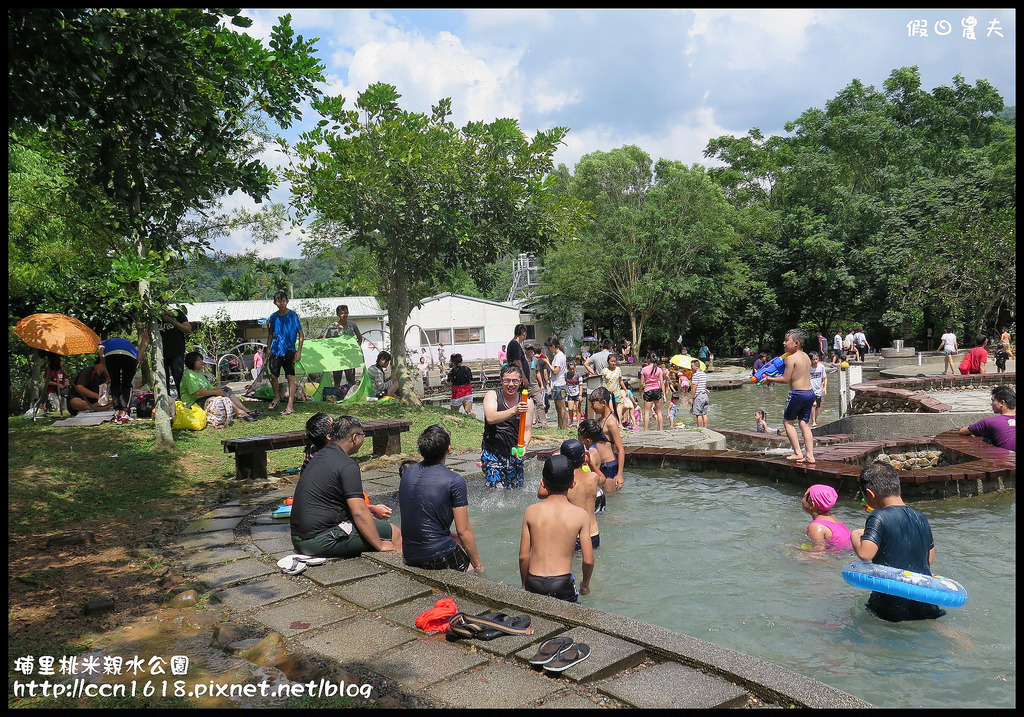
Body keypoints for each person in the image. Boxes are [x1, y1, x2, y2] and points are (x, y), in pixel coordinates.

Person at [290, 415, 402, 558]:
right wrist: (379, 545)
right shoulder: (347, 465)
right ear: (354, 438)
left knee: (380, 529)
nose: (363, 439)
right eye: (363, 435)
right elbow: (359, 512)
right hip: (318, 540)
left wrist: (372, 510)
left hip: (299, 537)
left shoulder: (319, 456)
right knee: (394, 534)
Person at [850, 462, 945, 622]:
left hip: (890, 603)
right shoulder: (920, 517)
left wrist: (855, 534)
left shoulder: (878, 516)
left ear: (870, 494)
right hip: (924, 600)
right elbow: (929, 559)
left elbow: (865, 553)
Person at [399, 425, 484, 572]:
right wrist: (478, 565)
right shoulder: (454, 481)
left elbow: (419, 516)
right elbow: (463, 531)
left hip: (409, 553)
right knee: (473, 571)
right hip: (437, 556)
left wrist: (449, 536)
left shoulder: (408, 473)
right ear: (448, 448)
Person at [519, 455, 594, 602]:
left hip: (534, 580)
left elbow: (523, 556)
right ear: (573, 483)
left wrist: (524, 584)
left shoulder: (531, 511)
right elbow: (588, 560)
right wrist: (585, 585)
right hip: (562, 583)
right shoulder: (580, 515)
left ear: (543, 483)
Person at [761, 328, 816, 464]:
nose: (784, 343)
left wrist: (769, 378)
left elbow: (786, 379)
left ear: (796, 343)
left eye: (787, 340)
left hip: (797, 393)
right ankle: (810, 455)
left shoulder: (791, 358)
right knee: (804, 423)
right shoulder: (806, 357)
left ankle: (797, 452)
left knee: (788, 422)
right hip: (810, 393)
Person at [481, 364, 535, 489]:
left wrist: (524, 446)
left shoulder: (526, 402)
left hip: (515, 452)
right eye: (507, 381)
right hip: (492, 452)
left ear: (520, 381)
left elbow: (527, 430)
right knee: (496, 491)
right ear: (501, 380)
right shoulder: (492, 395)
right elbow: (490, 418)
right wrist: (514, 411)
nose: (511, 385)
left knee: (515, 491)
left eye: (515, 381)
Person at [180, 351, 259, 422]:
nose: (201, 362)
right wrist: (216, 392)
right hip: (194, 403)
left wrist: (223, 389)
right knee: (220, 394)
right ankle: (239, 412)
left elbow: (211, 388)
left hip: (202, 399)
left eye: (201, 359)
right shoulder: (189, 375)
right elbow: (197, 392)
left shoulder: (200, 375)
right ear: (191, 362)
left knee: (225, 390)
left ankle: (245, 410)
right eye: (198, 360)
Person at [552, 439, 600, 550]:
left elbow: (541, 493)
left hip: (574, 534)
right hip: (593, 533)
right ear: (584, 457)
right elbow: (604, 479)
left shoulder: (567, 482)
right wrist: (590, 463)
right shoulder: (593, 477)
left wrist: (554, 464)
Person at [266, 291, 304, 415]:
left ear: (287, 301)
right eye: (278, 301)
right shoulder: (273, 317)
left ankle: (290, 405)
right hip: (276, 350)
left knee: (290, 377)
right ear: (275, 302)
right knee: (273, 376)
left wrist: (299, 351)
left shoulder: (292, 315)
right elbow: (270, 334)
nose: (281, 303)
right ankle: (276, 397)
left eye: (283, 300)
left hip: (289, 350)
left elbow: (301, 335)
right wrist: (268, 349)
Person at [99, 336, 148, 424]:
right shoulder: (127, 343)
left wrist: (107, 371)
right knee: (127, 384)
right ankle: (124, 412)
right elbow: (136, 357)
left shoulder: (104, 342)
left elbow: (102, 355)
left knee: (115, 383)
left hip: (111, 356)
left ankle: (117, 412)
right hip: (130, 356)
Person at [586, 388, 624, 491]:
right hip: (599, 466)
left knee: (611, 499)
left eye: (593, 403)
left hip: (609, 467)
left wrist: (619, 474)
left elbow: (620, 449)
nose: (591, 407)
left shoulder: (611, 422)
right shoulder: (600, 420)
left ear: (603, 402)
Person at [958, 386, 1015, 451]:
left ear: (1002, 403)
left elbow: (962, 431)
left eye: (993, 401)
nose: (992, 404)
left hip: (1004, 460)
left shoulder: (991, 422)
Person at [323, 304, 363, 392]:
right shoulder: (332, 326)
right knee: (337, 379)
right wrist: (329, 351)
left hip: (349, 358)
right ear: (338, 314)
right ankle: (337, 395)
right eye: (341, 313)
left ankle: (351, 395)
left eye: (345, 313)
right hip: (337, 358)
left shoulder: (352, 325)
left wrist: (356, 349)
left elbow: (360, 338)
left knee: (351, 379)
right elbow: (324, 339)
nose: (344, 315)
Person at [801, 484, 852, 551]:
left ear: (812, 504)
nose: (802, 499)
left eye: (804, 496)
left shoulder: (816, 526)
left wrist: (794, 549)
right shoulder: (833, 518)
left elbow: (819, 552)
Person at [158, 307, 192, 397]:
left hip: (177, 352)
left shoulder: (177, 313)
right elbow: (146, 337)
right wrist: (140, 354)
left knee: (179, 377)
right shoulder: (154, 317)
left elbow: (188, 329)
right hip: (160, 354)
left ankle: (183, 400)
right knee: (162, 380)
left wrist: (173, 321)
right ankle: (166, 401)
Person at [538, 337, 569, 429]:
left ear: (553, 346)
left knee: (561, 408)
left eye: (549, 347)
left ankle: (563, 427)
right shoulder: (560, 355)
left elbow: (555, 371)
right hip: (559, 384)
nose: (548, 349)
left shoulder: (559, 356)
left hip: (559, 384)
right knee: (559, 408)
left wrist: (547, 363)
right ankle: (561, 427)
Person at [639, 352, 666, 431]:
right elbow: (662, 383)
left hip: (648, 390)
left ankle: (645, 430)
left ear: (648, 360)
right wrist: (664, 394)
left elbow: (641, 384)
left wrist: (640, 393)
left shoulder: (644, 369)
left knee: (647, 412)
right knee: (659, 412)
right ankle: (661, 429)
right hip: (657, 390)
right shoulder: (659, 369)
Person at [524, 345, 548, 429]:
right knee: (523, 405)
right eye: (528, 349)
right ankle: (523, 423)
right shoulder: (522, 360)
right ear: (525, 350)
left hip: (534, 385)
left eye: (531, 349)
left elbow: (537, 372)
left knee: (540, 403)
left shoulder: (535, 360)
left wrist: (541, 384)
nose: (530, 351)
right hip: (524, 386)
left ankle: (542, 423)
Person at [599, 353, 625, 423]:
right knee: (611, 409)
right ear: (608, 361)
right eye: (611, 361)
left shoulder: (618, 370)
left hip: (616, 392)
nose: (613, 363)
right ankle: (610, 422)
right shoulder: (604, 371)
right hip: (607, 392)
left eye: (615, 361)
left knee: (616, 408)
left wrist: (625, 390)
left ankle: (617, 423)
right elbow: (600, 381)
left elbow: (620, 381)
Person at [808, 351, 828, 428]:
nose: (815, 361)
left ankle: (814, 420)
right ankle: (813, 422)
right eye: (814, 359)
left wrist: (824, 388)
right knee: (813, 404)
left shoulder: (821, 367)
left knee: (816, 408)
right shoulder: (808, 368)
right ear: (810, 360)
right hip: (810, 389)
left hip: (818, 390)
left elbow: (825, 378)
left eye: (817, 359)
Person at [689, 359, 710, 429]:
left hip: (699, 396)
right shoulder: (704, 374)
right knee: (704, 413)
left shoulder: (695, 375)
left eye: (692, 366)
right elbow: (703, 384)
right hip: (705, 395)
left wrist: (691, 398)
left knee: (698, 414)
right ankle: (706, 427)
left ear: (696, 366)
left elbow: (694, 387)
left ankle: (700, 429)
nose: (691, 367)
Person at [565, 362, 582, 426]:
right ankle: (571, 421)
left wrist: (580, 394)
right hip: (570, 393)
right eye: (570, 369)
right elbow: (565, 384)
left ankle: (578, 423)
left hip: (577, 393)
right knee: (570, 408)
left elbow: (581, 385)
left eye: (573, 369)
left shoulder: (578, 375)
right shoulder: (566, 375)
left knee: (578, 408)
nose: (572, 370)